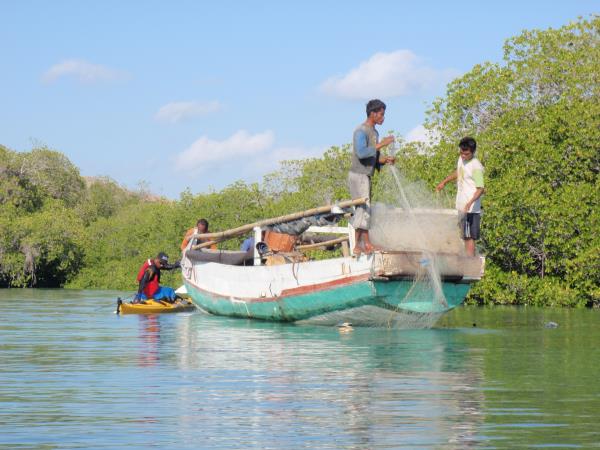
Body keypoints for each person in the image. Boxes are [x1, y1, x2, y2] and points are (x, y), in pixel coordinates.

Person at [348, 99, 396, 255]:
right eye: (381, 114)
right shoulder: (361, 131)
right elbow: (362, 153)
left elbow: (374, 156)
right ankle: (362, 244)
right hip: (358, 174)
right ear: (373, 114)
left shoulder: (374, 132)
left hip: (366, 175)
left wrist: (385, 160)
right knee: (363, 209)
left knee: (364, 209)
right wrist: (382, 144)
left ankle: (363, 244)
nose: (383, 117)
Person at [436, 137, 485, 257]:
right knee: (464, 236)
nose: (463, 155)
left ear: (472, 152)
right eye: (461, 152)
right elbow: (459, 172)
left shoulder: (476, 167)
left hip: (471, 209)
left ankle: (469, 265)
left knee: (469, 237)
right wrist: (444, 181)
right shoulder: (461, 159)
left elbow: (481, 189)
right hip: (461, 206)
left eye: (466, 154)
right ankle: (467, 260)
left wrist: (470, 203)